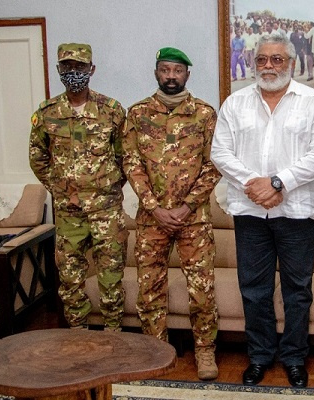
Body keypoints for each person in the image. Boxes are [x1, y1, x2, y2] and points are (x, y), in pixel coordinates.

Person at [211, 34, 314, 388]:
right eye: (262, 60)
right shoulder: (235, 104)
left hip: (297, 212)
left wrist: (279, 183)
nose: (269, 66)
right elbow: (221, 153)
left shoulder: (312, 102)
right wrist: (257, 184)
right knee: (254, 289)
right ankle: (260, 356)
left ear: (291, 64)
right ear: (254, 64)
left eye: (277, 60)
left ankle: (294, 358)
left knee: (297, 290)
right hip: (249, 212)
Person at [122, 47, 221, 380]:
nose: (171, 76)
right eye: (165, 70)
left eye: (177, 71)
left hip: (193, 219)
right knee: (150, 289)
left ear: (187, 75)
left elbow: (214, 165)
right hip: (152, 221)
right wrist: (154, 207)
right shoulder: (137, 113)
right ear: (156, 73)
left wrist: (185, 205)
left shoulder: (204, 114)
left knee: (202, 290)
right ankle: (156, 352)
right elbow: (131, 163)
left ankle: (205, 352)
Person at [29, 43, 127, 331]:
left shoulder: (111, 110)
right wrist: (60, 188)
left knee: (111, 277)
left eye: (80, 67)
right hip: (68, 213)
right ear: (59, 70)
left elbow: (125, 156)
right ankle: (78, 337)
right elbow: (37, 156)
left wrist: (106, 188)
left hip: (105, 212)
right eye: (67, 67)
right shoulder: (47, 113)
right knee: (70, 280)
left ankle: (113, 336)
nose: (74, 73)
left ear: (92, 70)